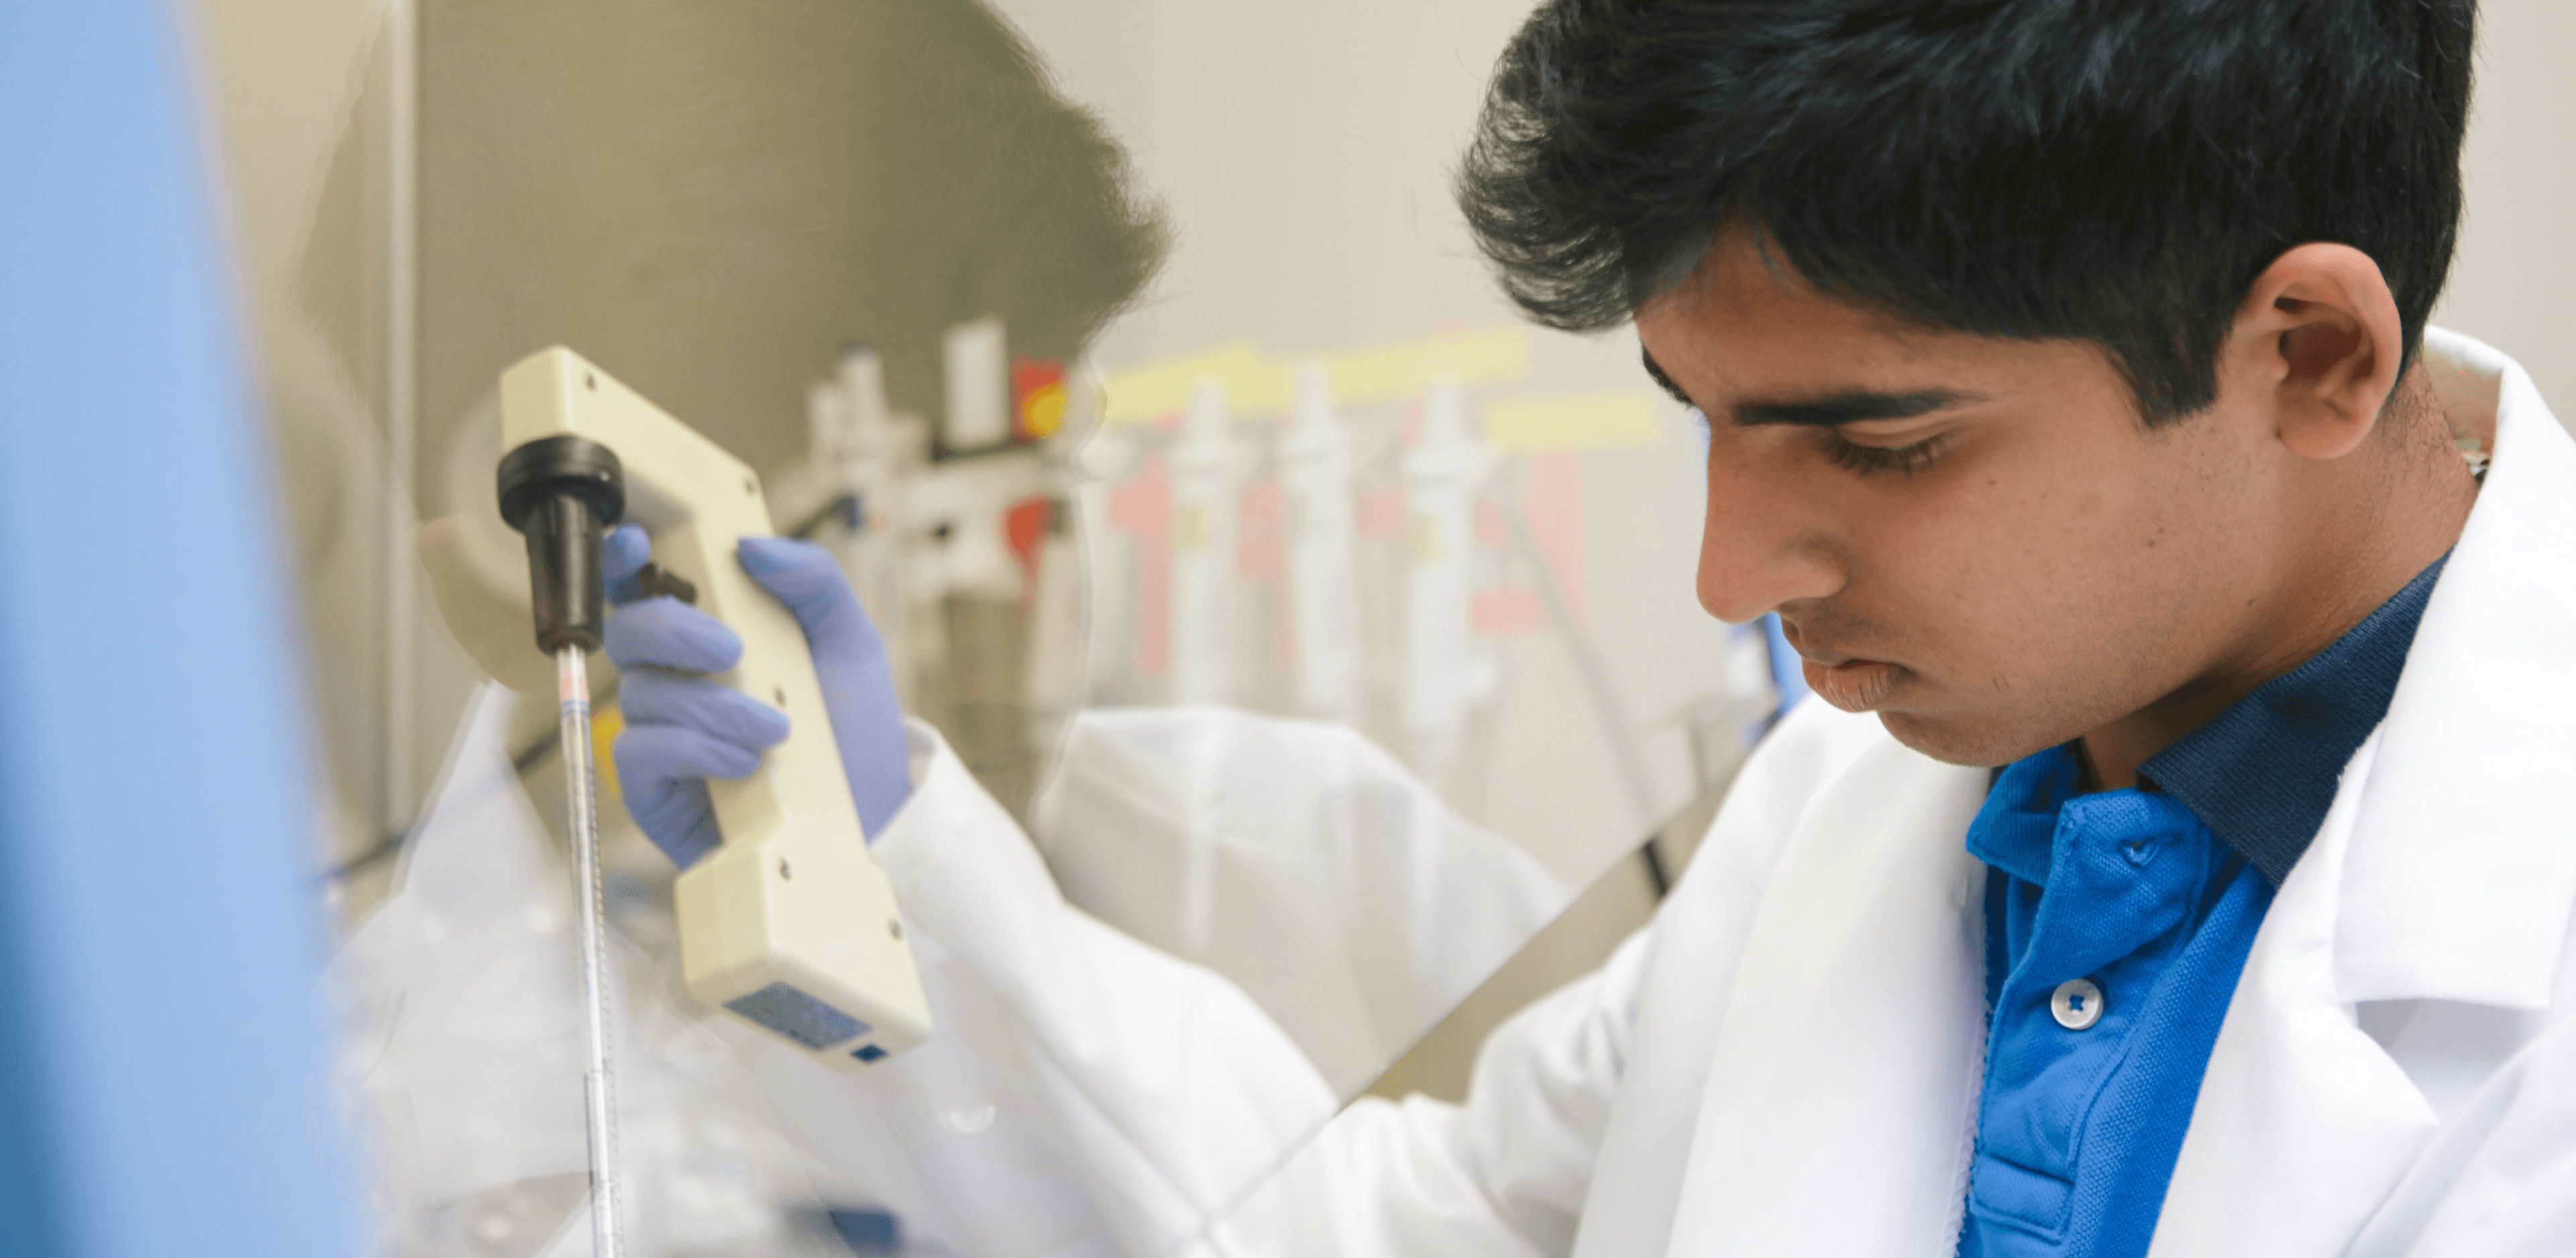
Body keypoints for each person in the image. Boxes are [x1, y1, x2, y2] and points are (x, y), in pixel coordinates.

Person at [605, 1, 2576, 1253]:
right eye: (1700, 417)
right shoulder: (1851, 807)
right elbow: (1401, 1231)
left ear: (2309, 352)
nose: (1731, 572)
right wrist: (897, 874)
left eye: (1877, 444)